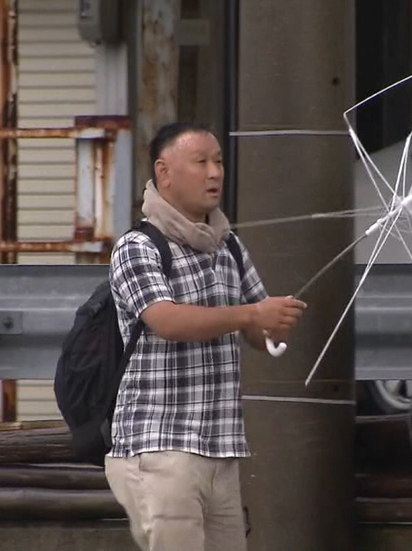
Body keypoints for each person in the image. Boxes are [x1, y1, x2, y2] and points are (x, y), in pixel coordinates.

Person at [105, 121, 307, 551]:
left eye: (218, 162)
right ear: (165, 173)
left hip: (222, 447)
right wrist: (252, 312)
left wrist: (273, 322)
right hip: (160, 445)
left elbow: (254, 328)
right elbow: (167, 320)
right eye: (201, 162)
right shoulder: (138, 246)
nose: (215, 173)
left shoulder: (229, 245)